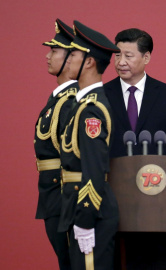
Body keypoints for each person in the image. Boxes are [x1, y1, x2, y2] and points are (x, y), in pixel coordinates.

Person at [104, 28, 166, 269]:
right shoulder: (101, 95)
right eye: (117, 55)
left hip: (159, 204)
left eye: (128, 55)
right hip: (115, 201)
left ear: (147, 57)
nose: (121, 62)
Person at [58, 20, 120, 270]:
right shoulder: (81, 104)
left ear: (89, 62)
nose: (68, 59)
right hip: (76, 205)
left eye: (73, 54)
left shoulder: (91, 109)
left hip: (89, 210)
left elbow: (95, 169)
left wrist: (85, 218)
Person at [34, 18, 79, 270]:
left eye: (54, 51)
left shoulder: (72, 101)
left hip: (65, 198)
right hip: (53, 196)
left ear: (72, 58)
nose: (48, 56)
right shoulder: (59, 99)